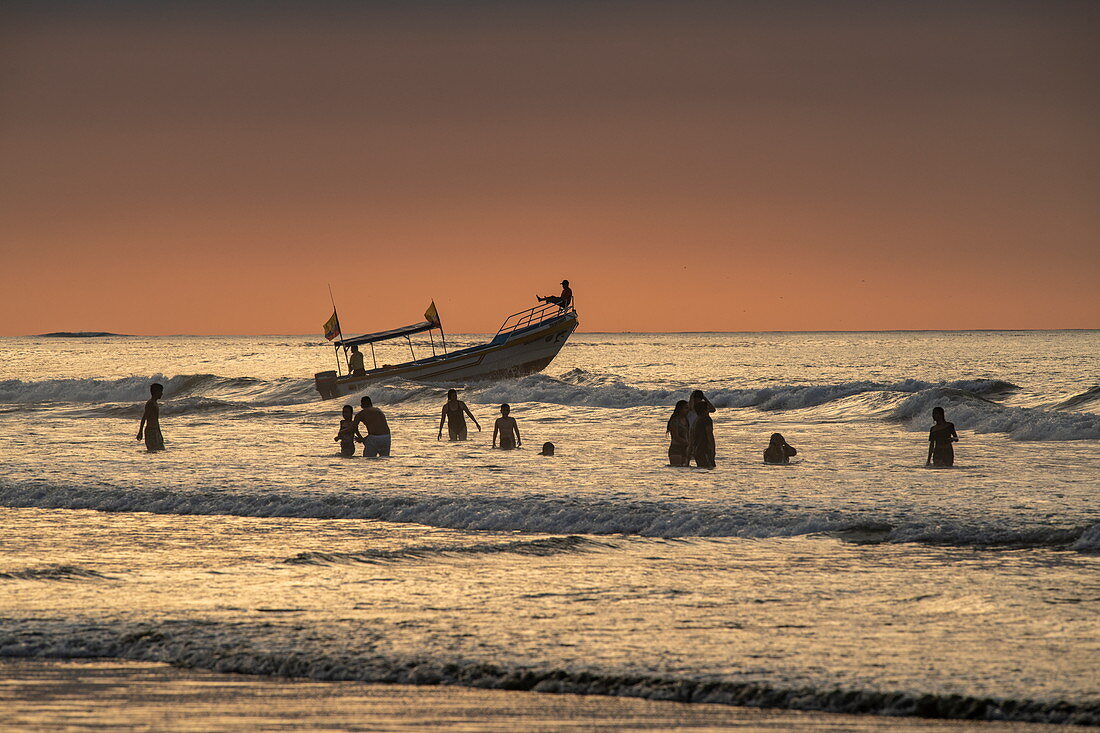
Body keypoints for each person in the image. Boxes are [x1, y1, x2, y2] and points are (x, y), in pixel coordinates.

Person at [136, 382, 165, 452]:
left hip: (156, 431)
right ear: (156, 392)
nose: (162, 393)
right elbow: (144, 418)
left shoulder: (155, 403)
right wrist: (140, 432)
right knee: (153, 451)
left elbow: (156, 420)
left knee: (160, 450)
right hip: (150, 431)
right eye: (160, 391)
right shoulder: (150, 403)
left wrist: (160, 434)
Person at [688, 401, 716, 468]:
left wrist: (690, 449)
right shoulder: (706, 419)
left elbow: (691, 435)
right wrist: (713, 449)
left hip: (696, 450)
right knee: (709, 468)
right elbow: (709, 435)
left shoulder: (696, 420)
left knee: (701, 468)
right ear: (705, 409)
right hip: (704, 449)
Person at [666, 400, 690, 466]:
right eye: (686, 408)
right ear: (680, 409)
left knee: (685, 471)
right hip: (676, 448)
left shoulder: (686, 420)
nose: (688, 410)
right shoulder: (675, 421)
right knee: (677, 469)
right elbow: (675, 437)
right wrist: (687, 443)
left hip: (685, 448)